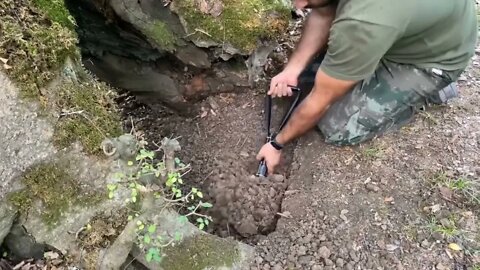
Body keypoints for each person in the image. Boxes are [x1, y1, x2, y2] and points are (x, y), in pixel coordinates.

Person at [256, 0, 478, 174]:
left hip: (432, 59)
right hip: (408, 28)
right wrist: (292, 70)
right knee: (306, 78)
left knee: (337, 127)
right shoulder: (365, 17)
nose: (299, 5)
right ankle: (367, 59)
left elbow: (320, 99)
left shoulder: (364, 21)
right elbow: (324, 10)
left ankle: (431, 92)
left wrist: (276, 144)